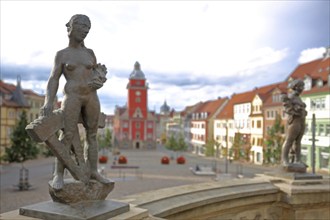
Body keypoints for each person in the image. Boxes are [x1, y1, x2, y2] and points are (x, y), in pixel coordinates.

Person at [40, 14, 110, 189]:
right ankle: (58, 174)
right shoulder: (62, 55)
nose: (85, 31)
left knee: (92, 136)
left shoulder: (90, 53)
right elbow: (53, 79)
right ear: (70, 28)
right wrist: (49, 102)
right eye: (82, 27)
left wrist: (99, 80)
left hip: (91, 96)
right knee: (68, 134)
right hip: (72, 96)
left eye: (88, 28)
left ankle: (93, 171)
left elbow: (95, 74)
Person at [281, 79, 307, 166]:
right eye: (301, 86)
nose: (303, 88)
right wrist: (297, 110)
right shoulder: (291, 97)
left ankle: (298, 160)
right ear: (296, 87)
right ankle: (285, 160)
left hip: (301, 120)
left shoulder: (298, 98)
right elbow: (287, 109)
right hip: (294, 121)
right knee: (289, 140)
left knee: (298, 141)